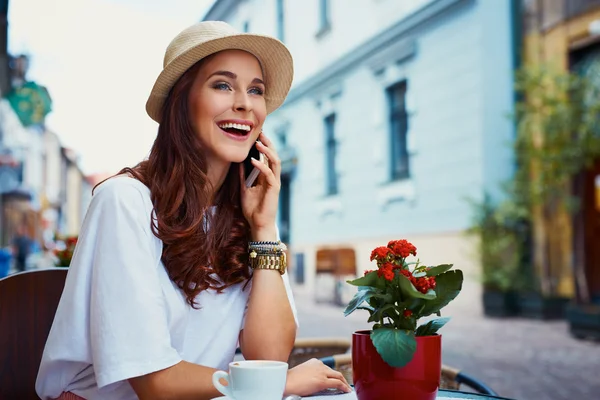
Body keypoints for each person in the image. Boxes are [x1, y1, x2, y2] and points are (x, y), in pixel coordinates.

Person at [35, 21, 352, 400]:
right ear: (182, 102)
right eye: (222, 84)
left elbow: (267, 357)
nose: (244, 103)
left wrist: (265, 229)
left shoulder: (249, 216)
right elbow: (154, 381)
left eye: (256, 90)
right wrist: (280, 383)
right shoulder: (125, 201)